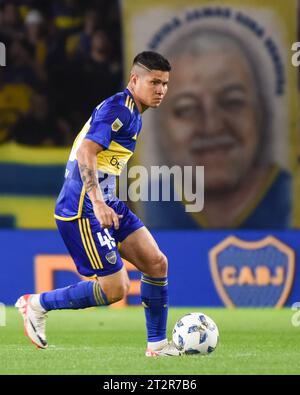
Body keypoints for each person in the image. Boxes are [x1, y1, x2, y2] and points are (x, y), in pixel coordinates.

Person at [15, 51, 182, 357]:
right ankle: (36, 304)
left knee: (157, 263)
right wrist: (97, 201)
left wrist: (109, 200)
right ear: (135, 80)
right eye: (154, 82)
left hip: (107, 201)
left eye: (165, 83)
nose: (161, 90)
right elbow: (86, 153)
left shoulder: (133, 112)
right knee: (116, 289)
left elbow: (106, 163)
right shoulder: (118, 109)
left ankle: (157, 346)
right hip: (80, 207)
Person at [141, 29, 291, 229]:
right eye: (186, 109)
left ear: (261, 112)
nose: (212, 126)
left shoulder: (291, 196)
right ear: (160, 126)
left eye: (232, 102)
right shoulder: (146, 204)